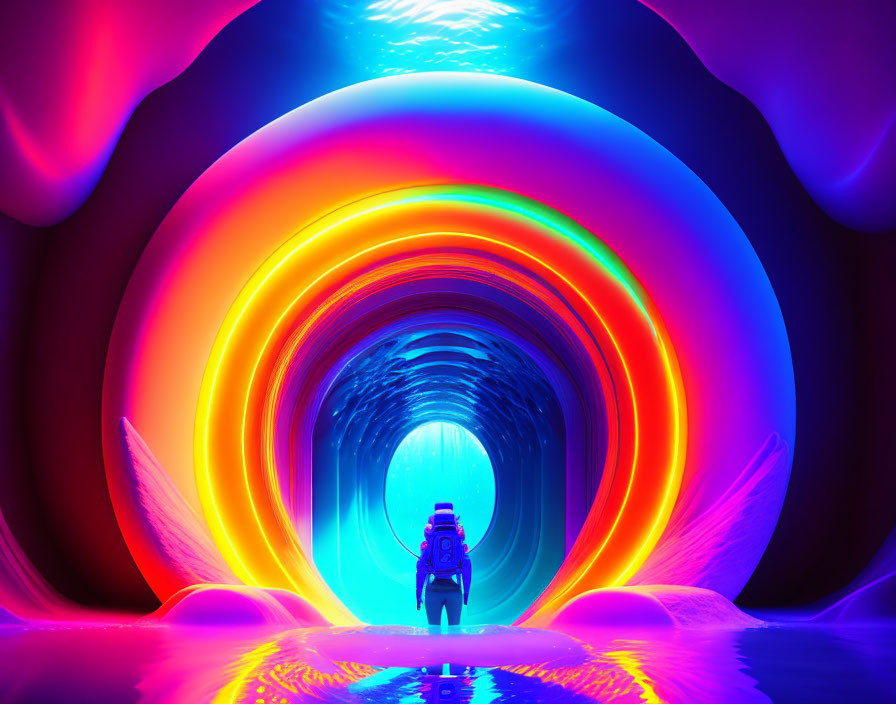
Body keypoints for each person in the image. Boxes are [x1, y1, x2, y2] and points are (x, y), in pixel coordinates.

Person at [416, 502, 471, 626]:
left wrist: (418, 595)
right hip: (454, 590)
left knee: (433, 631)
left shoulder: (431, 539)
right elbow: (467, 565)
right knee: (455, 630)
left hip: (433, 590)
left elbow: (421, 566)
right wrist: (466, 593)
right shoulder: (457, 538)